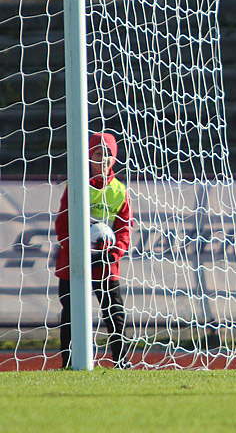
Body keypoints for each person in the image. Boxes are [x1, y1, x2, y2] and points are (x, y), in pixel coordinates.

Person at [54, 132, 132, 369]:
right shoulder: (77, 186)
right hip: (74, 263)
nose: (103, 158)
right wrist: (77, 249)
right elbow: (62, 224)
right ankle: (68, 363)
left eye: (108, 154)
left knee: (115, 313)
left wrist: (115, 252)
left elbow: (124, 229)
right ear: (89, 156)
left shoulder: (119, 191)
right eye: (98, 153)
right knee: (71, 314)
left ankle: (121, 361)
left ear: (114, 158)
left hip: (106, 264)